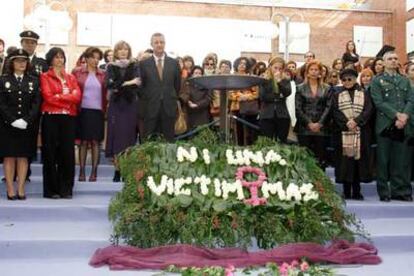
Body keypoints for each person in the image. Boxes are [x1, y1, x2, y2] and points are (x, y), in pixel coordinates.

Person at [370, 49, 414, 202]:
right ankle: (384, 191)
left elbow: (410, 99)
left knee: (401, 160)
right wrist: (397, 115)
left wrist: (404, 116)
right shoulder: (377, 80)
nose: (394, 61)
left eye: (396, 58)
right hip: (385, 125)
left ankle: (400, 191)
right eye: (390, 59)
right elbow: (378, 102)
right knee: (383, 160)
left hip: (402, 125)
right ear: (384, 62)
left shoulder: (404, 80)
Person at [40, 47, 81, 199]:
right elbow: (48, 97)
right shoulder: (45, 77)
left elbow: (77, 97)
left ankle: (66, 189)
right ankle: (51, 190)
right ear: (51, 59)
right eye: (56, 57)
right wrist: (67, 98)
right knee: (50, 153)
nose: (60, 60)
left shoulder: (71, 77)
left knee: (67, 154)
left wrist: (61, 97)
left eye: (61, 57)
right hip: (51, 118)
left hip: (68, 119)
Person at [0, 49, 41, 200]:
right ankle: (10, 188)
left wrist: (26, 120)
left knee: (23, 157)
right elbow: (1, 104)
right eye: (18, 61)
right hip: (7, 125)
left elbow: (36, 104)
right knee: (9, 156)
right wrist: (12, 120)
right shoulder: (3, 80)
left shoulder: (33, 81)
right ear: (12, 63)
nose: (21, 63)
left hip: (26, 125)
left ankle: (21, 188)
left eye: (24, 61)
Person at [331, 69, 374, 200]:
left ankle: (357, 191)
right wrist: (346, 123)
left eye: (349, 79)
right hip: (343, 133)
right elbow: (335, 111)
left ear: (355, 79)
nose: (347, 82)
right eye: (344, 80)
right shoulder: (337, 94)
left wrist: (356, 121)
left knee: (357, 162)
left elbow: (368, 110)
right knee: (345, 163)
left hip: (360, 132)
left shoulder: (364, 93)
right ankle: (346, 191)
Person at [106, 41, 140, 182]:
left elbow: (138, 83)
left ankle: (126, 170)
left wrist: (121, 84)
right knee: (116, 139)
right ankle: (117, 170)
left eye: (126, 49)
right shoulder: (111, 66)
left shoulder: (135, 65)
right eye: (120, 49)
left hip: (130, 105)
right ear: (116, 52)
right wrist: (129, 82)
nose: (123, 52)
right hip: (116, 106)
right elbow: (110, 85)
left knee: (128, 139)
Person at [72, 47, 107, 182]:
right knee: (83, 142)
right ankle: (81, 172)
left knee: (95, 143)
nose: (95, 60)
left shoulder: (103, 74)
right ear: (86, 58)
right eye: (93, 57)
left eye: (98, 58)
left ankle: (94, 172)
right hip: (82, 111)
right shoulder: (76, 72)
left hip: (98, 112)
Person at [139, 33, 181, 142]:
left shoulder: (174, 63)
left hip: (168, 108)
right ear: (151, 44)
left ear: (165, 43)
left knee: (168, 142)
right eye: (156, 42)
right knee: (149, 141)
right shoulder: (143, 64)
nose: (159, 45)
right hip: (150, 108)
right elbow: (141, 87)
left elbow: (177, 86)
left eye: (161, 42)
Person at [295, 60, 332, 169]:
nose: (314, 72)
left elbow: (328, 107)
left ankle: (321, 184)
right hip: (304, 128)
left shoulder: (327, 88)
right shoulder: (300, 88)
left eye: (316, 69)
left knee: (320, 159)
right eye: (311, 69)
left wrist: (320, 123)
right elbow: (298, 108)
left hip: (322, 128)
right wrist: (309, 123)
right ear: (307, 72)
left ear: (320, 72)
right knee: (305, 159)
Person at [259, 57, 292, 143]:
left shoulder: (285, 79)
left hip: (282, 115)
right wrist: (278, 96)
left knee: (281, 142)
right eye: (275, 68)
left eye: (280, 68)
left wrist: (279, 82)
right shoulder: (264, 79)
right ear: (270, 67)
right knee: (267, 142)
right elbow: (263, 96)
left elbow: (287, 93)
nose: (278, 70)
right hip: (267, 115)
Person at [229, 57, 258, 145]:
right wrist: (239, 97)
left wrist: (246, 96)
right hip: (236, 107)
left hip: (249, 108)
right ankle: (239, 148)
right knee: (238, 131)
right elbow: (229, 93)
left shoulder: (251, 78)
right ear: (236, 65)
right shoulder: (231, 78)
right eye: (240, 63)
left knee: (250, 132)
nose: (242, 65)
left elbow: (257, 93)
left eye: (244, 64)